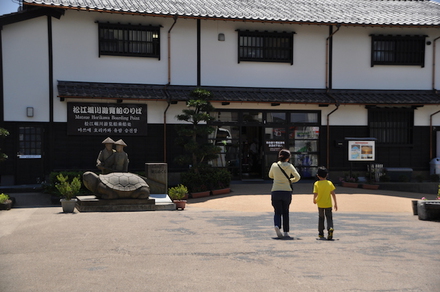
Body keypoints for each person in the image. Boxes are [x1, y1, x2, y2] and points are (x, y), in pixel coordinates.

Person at [268, 149, 301, 238]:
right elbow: (297, 177)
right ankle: (286, 231)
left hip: (276, 190)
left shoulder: (274, 165)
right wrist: (290, 180)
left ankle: (277, 225)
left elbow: (270, 176)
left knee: (277, 211)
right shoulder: (290, 166)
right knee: (286, 211)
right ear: (288, 158)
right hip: (287, 191)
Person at [313, 166, 338, 240]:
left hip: (320, 204)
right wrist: (335, 203)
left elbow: (315, 193)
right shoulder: (329, 183)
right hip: (328, 204)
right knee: (329, 217)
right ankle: (330, 228)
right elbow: (333, 193)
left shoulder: (316, 183)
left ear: (318, 175)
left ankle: (321, 233)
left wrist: (314, 199)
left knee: (321, 218)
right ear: (326, 175)